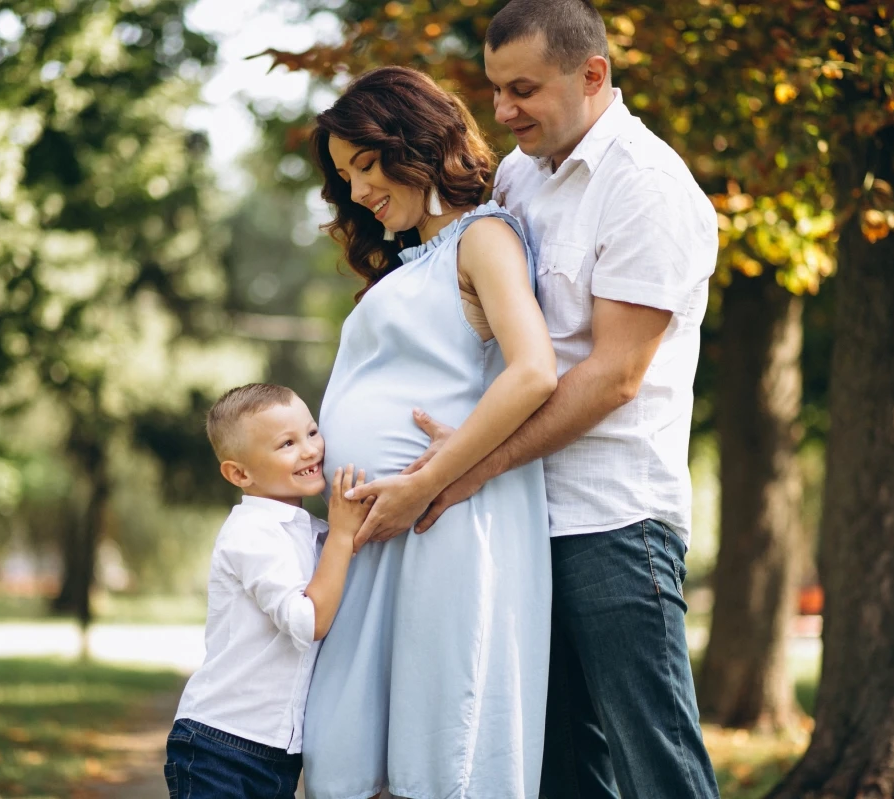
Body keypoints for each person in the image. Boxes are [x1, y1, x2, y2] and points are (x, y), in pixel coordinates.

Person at [374, 1, 722, 796]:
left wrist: (462, 468)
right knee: (557, 766)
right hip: (524, 518)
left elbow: (612, 376)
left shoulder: (651, 189)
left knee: (656, 764)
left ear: (592, 74)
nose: (502, 111)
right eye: (495, 89)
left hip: (614, 521)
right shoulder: (517, 175)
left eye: (522, 89)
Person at [301, 66, 558, 799]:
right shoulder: (415, 260)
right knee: (351, 756)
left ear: (411, 143)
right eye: (345, 175)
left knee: (435, 749)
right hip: (385, 531)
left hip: (440, 521)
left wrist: (419, 483)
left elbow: (534, 371)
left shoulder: (482, 237)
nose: (355, 192)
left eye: (364, 166)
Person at [164, 383, 372, 799]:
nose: (310, 450)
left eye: (312, 432)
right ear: (240, 473)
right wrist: (343, 536)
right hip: (219, 746)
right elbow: (308, 620)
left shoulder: (310, 534)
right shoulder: (251, 534)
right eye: (287, 444)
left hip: (278, 754)